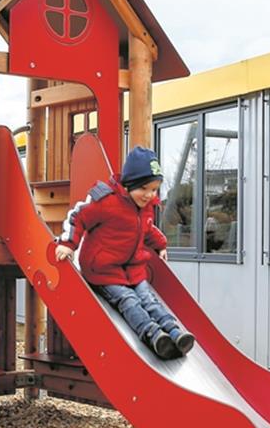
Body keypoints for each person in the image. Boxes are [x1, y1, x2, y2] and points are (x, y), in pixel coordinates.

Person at [54, 146, 195, 360]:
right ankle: (153, 334)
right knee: (128, 300)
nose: (149, 195)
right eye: (144, 188)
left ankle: (174, 332)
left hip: (133, 270)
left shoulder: (144, 207)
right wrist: (68, 243)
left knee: (149, 299)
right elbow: (78, 216)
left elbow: (146, 229)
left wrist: (161, 244)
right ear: (129, 184)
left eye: (155, 189)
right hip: (104, 272)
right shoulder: (106, 201)